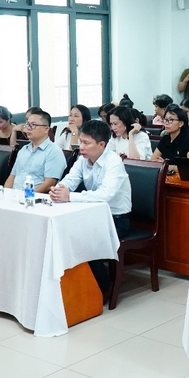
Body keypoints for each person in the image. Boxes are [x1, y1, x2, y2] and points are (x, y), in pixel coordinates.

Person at [49, 120, 132, 295]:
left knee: (83, 241)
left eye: (86, 143)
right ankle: (70, 287)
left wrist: (70, 197)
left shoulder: (114, 162)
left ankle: (101, 290)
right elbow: (71, 179)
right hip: (91, 216)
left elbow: (105, 195)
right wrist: (60, 189)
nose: (81, 147)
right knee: (63, 235)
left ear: (101, 145)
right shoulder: (82, 159)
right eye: (80, 141)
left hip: (115, 219)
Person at [4, 108, 65, 192]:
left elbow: (49, 184)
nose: (28, 128)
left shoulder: (54, 152)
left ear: (46, 129)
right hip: (15, 197)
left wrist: (27, 196)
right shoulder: (24, 150)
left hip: (34, 199)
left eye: (33, 125)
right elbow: (12, 176)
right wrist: (6, 194)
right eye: (27, 124)